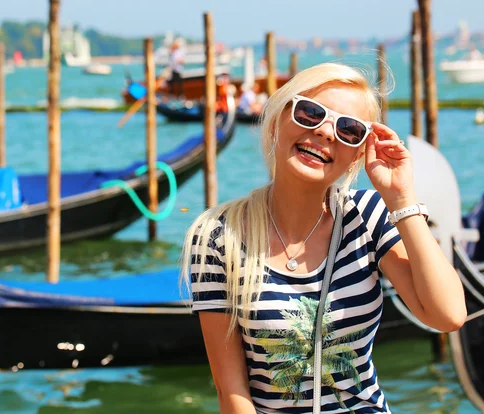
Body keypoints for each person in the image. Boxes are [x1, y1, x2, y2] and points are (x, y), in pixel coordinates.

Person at [181, 62, 466, 413]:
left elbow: (448, 316)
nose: (326, 132)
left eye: (348, 129)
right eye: (310, 113)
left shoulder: (368, 216)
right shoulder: (217, 236)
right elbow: (231, 389)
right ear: (278, 120)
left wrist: (401, 199)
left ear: (356, 156)